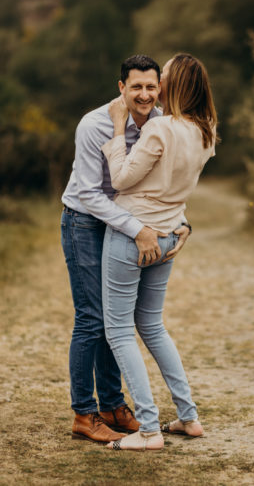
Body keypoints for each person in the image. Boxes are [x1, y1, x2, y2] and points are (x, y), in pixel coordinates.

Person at [61, 55, 191, 444]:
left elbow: (169, 182)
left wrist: (182, 223)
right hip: (85, 221)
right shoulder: (94, 124)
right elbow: (89, 193)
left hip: (126, 225)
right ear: (121, 87)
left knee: (115, 317)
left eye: (152, 86)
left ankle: (113, 405)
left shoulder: (162, 122)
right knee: (92, 318)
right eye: (136, 86)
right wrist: (138, 230)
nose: (145, 94)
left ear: (160, 88)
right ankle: (84, 414)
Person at [101, 53, 217, 451]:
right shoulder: (207, 129)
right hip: (168, 236)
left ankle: (149, 430)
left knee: (118, 329)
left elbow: (120, 178)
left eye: (162, 77)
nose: (157, 83)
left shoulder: (160, 129)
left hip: (133, 235)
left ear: (176, 85)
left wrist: (118, 131)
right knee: (151, 325)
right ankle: (189, 417)